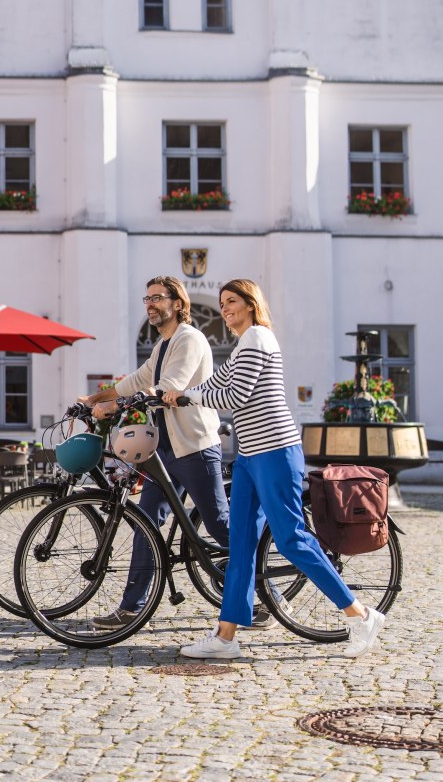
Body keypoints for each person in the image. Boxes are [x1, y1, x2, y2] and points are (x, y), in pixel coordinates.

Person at [163, 278, 387, 660]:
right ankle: (226, 638)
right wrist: (174, 393)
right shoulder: (243, 344)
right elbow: (216, 381)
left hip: (275, 452)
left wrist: (187, 397)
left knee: (290, 539)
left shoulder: (258, 337)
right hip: (250, 456)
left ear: (251, 304)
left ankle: (360, 615)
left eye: (232, 301)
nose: (224, 308)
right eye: (222, 303)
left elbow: (235, 396)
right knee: (240, 545)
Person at [80, 275, 244, 629]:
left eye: (157, 298)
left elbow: (169, 388)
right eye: (147, 299)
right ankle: (132, 608)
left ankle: (266, 594)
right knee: (147, 524)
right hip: (165, 451)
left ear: (177, 303)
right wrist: (93, 399)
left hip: (195, 448)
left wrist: (116, 406)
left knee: (220, 526)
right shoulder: (162, 346)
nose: (150, 304)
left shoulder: (189, 339)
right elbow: (133, 383)